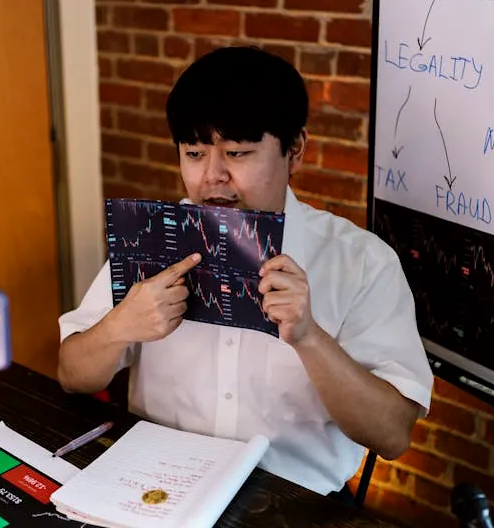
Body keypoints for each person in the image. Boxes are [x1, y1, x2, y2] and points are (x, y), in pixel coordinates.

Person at [56, 46, 433, 501]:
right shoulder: (152, 239)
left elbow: (392, 435)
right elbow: (72, 374)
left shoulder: (361, 261)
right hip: (155, 486)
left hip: (293, 501)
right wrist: (120, 326)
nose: (213, 176)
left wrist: (310, 337)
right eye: (194, 153)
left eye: (237, 152)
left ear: (295, 151)